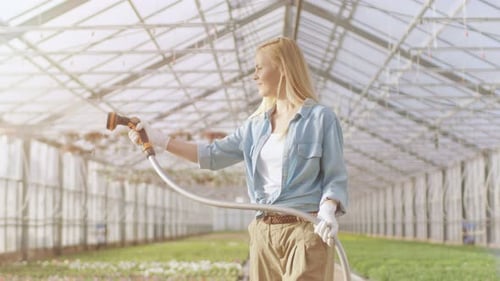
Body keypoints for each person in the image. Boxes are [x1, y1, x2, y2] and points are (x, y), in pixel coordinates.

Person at [128, 37, 348, 281]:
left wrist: (328, 209)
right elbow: (211, 156)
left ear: (283, 69)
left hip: (305, 230)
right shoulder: (255, 126)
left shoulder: (320, 119)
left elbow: (335, 175)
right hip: (263, 232)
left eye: (259, 67)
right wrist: (159, 139)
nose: (254, 75)